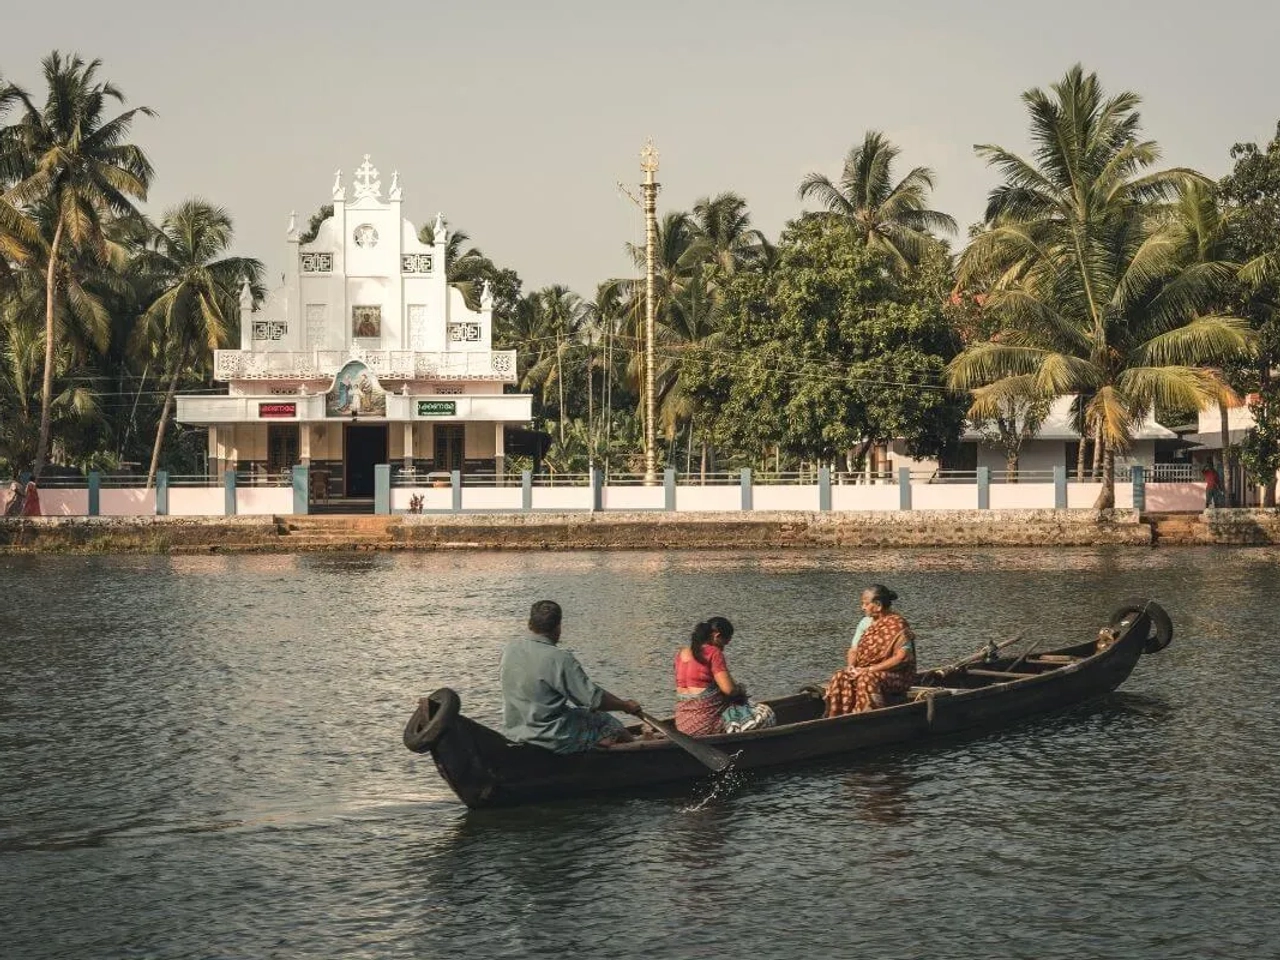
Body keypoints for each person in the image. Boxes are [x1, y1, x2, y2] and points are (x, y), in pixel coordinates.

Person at [500, 600, 642, 753]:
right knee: (608, 722)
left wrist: (620, 702)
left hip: (517, 734)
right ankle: (626, 758)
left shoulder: (510, 649)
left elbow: (589, 691)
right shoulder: (560, 658)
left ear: (529, 624)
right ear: (558, 628)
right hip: (552, 738)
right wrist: (625, 706)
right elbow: (593, 700)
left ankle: (599, 749)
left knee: (584, 715)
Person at [824, 585, 917, 716]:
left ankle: (872, 717)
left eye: (866, 604)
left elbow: (902, 658)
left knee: (867, 678)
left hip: (898, 676)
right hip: (863, 671)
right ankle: (837, 717)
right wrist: (851, 666)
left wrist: (868, 670)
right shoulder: (865, 623)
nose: (862, 607)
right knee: (840, 676)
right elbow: (853, 650)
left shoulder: (898, 624)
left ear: (878, 605)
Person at [674, 617, 777, 736]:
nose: (723, 648)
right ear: (716, 636)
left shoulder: (681, 653)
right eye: (725, 642)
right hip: (704, 725)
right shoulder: (713, 652)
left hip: (682, 725)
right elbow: (729, 690)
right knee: (766, 713)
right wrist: (740, 690)